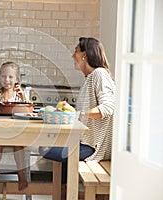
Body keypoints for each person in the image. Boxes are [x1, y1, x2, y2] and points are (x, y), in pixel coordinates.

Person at [39, 37, 115, 200]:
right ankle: (63, 195)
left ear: (84, 56)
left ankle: (66, 194)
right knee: (52, 150)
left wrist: (78, 114)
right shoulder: (91, 77)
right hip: (84, 142)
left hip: (94, 148)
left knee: (45, 149)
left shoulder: (99, 74)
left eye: (76, 51)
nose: (73, 55)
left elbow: (107, 108)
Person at [0, 61, 29, 191]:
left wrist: (24, 98)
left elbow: (29, 110)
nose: (6, 80)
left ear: (17, 79)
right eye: (3, 76)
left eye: (10, 77)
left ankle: (21, 175)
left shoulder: (20, 94)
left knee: (18, 144)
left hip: (16, 131)